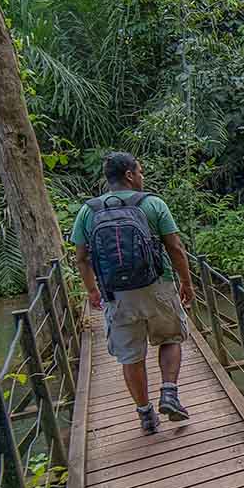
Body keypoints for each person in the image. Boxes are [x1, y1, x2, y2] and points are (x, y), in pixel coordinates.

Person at [72, 152, 196, 434]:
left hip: (116, 294)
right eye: (140, 171)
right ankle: (169, 392)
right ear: (129, 174)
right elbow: (175, 248)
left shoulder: (88, 211)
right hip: (157, 286)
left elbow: (80, 257)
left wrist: (92, 290)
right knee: (170, 337)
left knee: (130, 355)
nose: (142, 176)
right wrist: (187, 283)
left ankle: (145, 415)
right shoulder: (153, 204)